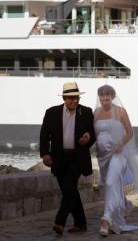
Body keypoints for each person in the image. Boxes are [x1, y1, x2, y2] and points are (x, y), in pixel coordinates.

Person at [40, 82, 96, 235]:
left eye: (77, 98)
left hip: (77, 158)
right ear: (64, 98)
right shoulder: (51, 113)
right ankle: (81, 223)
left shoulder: (86, 112)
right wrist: (45, 154)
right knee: (69, 191)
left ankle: (60, 221)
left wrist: (88, 137)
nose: (75, 101)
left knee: (69, 187)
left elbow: (92, 132)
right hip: (59, 159)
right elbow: (44, 135)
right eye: (71, 98)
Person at [94, 85, 138, 236]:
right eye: (101, 98)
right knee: (110, 184)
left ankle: (106, 219)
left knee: (110, 182)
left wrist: (121, 143)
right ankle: (126, 203)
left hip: (118, 153)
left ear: (112, 97)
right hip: (103, 155)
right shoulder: (96, 112)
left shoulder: (120, 111)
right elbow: (94, 133)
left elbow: (130, 132)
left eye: (107, 98)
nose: (104, 101)